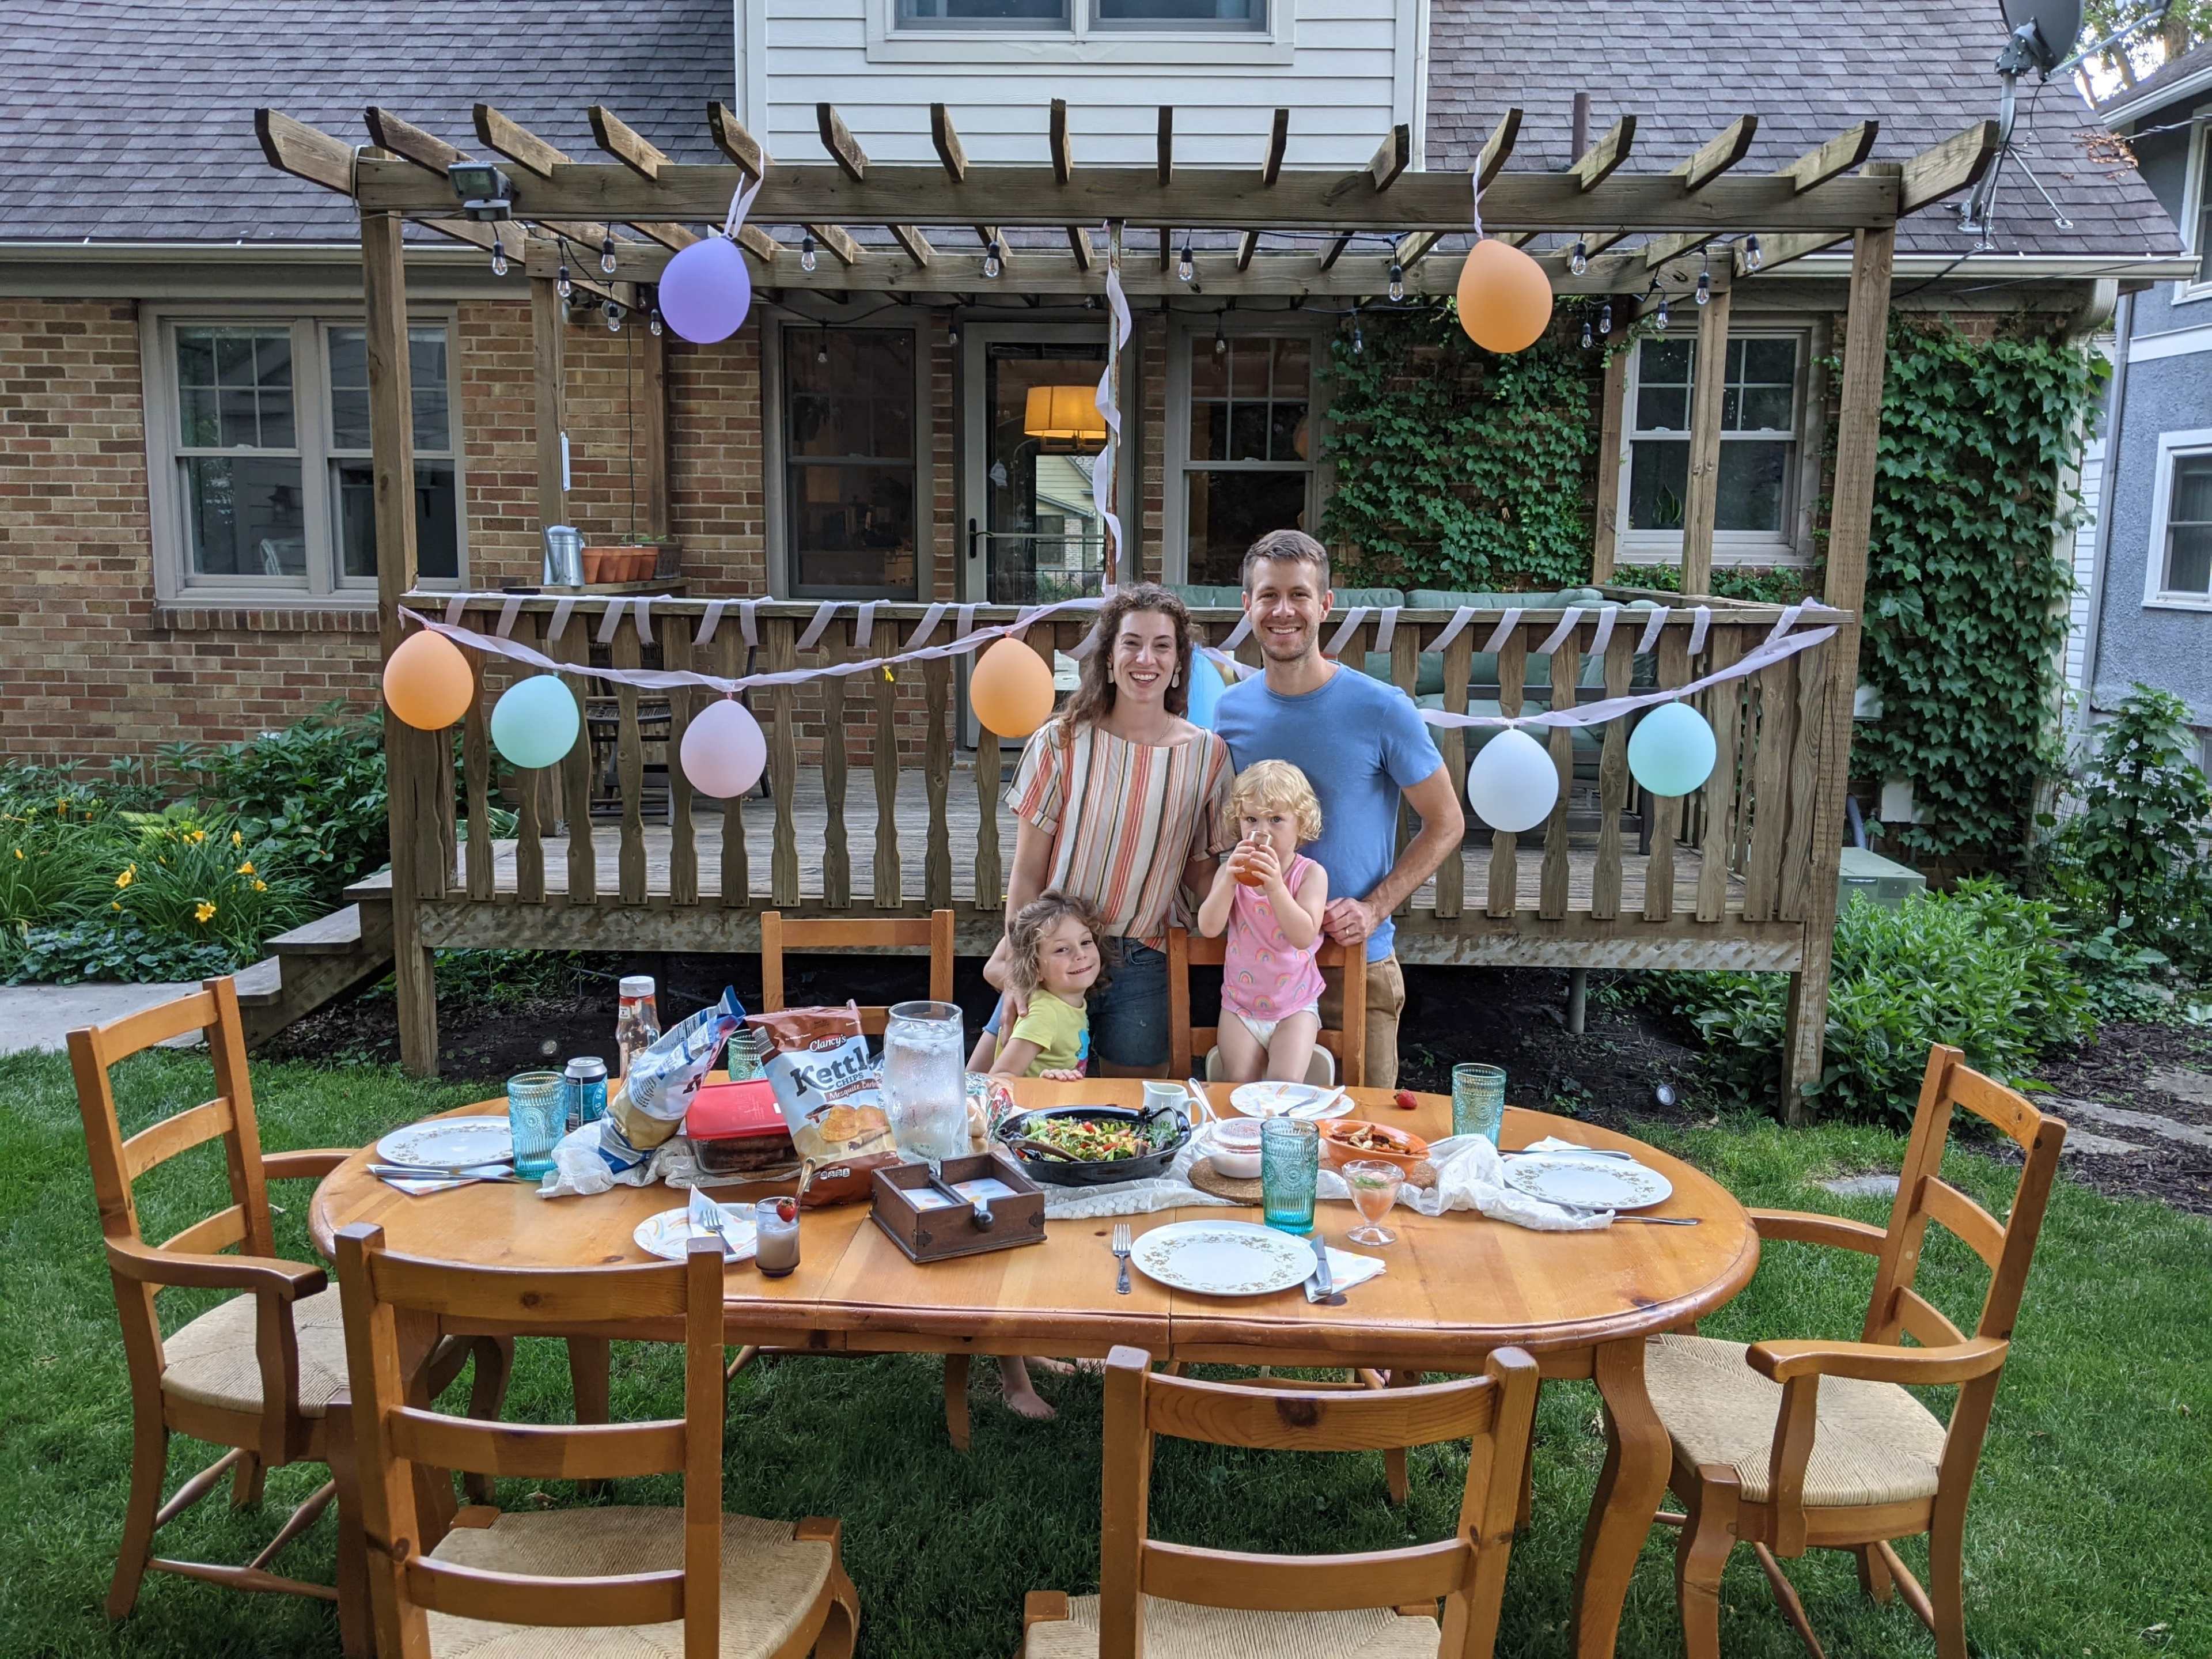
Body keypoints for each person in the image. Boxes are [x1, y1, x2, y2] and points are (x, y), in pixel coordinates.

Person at [1213, 529, 1465, 1091]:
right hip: (1257, 973)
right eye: (1268, 595)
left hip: (1356, 963)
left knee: (1358, 1147)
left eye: (1299, 595)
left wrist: (1375, 908)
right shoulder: (1228, 712)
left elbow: (1447, 822)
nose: (1283, 610)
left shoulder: (1382, 708)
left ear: (1325, 606)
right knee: (1258, 1130)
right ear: (1247, 606)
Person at [982, 584, 1234, 1073]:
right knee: (991, 1099)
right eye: (1132, 643)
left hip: (1142, 958)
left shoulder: (1209, 755)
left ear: (1180, 662)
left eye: (1162, 645)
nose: (1147, 658)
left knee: (1131, 1118)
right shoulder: (1061, 741)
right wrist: (1019, 967)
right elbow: (1028, 871)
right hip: (1053, 953)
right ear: (1109, 657)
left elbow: (1202, 874)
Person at [1196, 761, 1330, 1085]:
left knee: (1284, 1086)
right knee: (1238, 1083)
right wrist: (1227, 882)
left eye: (1276, 820)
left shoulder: (1310, 874)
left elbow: (1303, 935)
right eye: (1252, 819)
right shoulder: (1233, 872)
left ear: (1302, 824)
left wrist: (1275, 888)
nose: (1263, 831)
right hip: (1239, 1006)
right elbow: (1209, 928)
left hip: (1294, 1006)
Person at [976, 892, 1100, 1081]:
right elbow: (999, 1077)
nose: (1081, 954)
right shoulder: (1044, 1015)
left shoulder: (1068, 1003)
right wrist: (1044, 1085)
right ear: (1035, 968)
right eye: (1062, 949)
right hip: (1033, 1109)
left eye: (1086, 942)